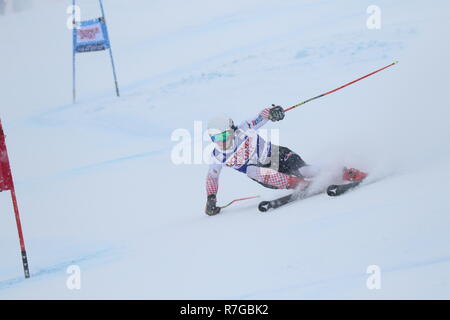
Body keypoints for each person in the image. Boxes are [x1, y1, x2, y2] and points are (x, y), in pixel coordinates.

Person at [204, 105, 367, 215]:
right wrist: (211, 198)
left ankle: (345, 172)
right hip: (267, 174)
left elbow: (262, 116)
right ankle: (301, 184)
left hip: (276, 156)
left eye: (224, 135)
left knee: (306, 171)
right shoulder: (218, 156)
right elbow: (212, 177)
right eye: (215, 138)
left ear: (232, 130)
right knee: (252, 170)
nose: (221, 141)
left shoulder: (244, 129)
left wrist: (273, 112)